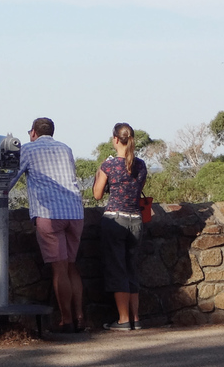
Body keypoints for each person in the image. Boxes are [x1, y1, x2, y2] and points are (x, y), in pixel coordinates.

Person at [8, 117, 85, 333]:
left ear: (33, 132)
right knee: (72, 267)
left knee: (59, 270)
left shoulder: (29, 149)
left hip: (50, 214)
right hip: (75, 212)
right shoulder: (65, 149)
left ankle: (67, 320)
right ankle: (80, 317)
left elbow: (11, 179)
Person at [92, 123, 148, 331]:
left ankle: (124, 320)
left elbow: (97, 194)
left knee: (117, 269)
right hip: (136, 219)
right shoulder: (141, 165)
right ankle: (136, 317)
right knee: (131, 268)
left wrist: (100, 169)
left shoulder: (109, 166)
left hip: (115, 219)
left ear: (115, 139)